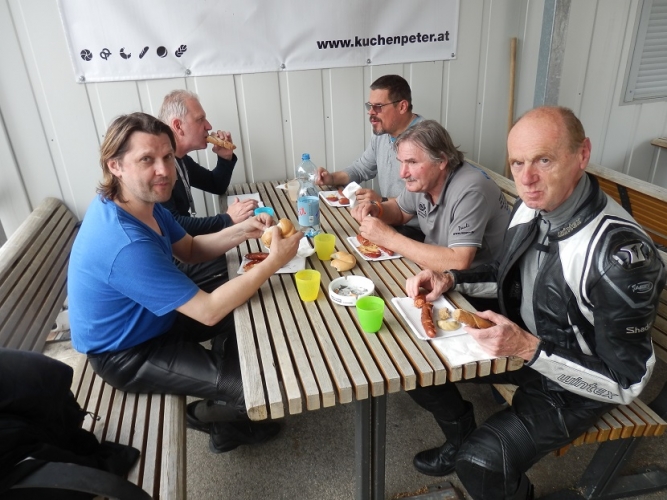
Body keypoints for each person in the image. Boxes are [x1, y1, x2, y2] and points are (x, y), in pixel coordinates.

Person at [404, 106, 666, 499]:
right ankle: (459, 437)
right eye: (517, 163)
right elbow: (506, 272)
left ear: (582, 155)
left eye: (544, 160)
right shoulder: (533, 205)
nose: (526, 179)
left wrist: (528, 348)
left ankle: (470, 451)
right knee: (414, 362)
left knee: (482, 463)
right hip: (527, 348)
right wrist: (450, 279)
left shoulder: (618, 256)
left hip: (579, 384)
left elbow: (626, 381)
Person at [67, 112, 302, 454]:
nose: (164, 170)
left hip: (154, 318)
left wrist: (242, 230)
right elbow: (208, 311)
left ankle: (225, 371)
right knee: (255, 384)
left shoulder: (140, 202)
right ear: (115, 165)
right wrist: (274, 261)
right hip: (127, 352)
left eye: (167, 157)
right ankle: (211, 418)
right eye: (147, 159)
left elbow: (190, 249)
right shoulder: (123, 242)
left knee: (251, 305)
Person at [352, 120, 510, 311]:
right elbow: (401, 210)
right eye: (401, 162)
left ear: (441, 161)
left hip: (477, 290)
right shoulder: (424, 179)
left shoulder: (471, 190)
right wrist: (378, 210)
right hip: (434, 271)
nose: (403, 173)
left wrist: (389, 238)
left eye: (412, 162)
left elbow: (459, 262)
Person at [158, 89, 258, 290]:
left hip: (188, 248)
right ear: (178, 126)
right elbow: (176, 224)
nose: (209, 126)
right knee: (243, 262)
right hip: (173, 262)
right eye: (200, 119)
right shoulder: (161, 170)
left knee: (248, 255)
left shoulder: (180, 160)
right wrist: (227, 219)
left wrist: (225, 157)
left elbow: (215, 185)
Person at [314, 74, 425, 240]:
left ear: (402, 106)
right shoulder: (383, 132)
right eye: (370, 106)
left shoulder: (426, 140)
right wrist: (331, 178)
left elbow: (427, 200)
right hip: (389, 218)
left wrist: (382, 200)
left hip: (417, 230)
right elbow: (362, 168)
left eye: (378, 106)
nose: (371, 112)